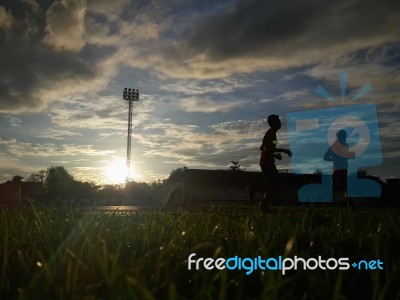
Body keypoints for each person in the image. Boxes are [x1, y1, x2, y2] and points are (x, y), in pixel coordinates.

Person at [258, 114, 292, 212]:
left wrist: (274, 155)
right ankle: (256, 193)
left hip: (266, 161)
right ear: (274, 123)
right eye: (279, 121)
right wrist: (285, 150)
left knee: (272, 184)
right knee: (274, 183)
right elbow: (267, 149)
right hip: (266, 163)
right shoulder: (271, 134)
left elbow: (263, 148)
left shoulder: (270, 133)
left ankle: (264, 206)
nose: (280, 122)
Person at [324, 129, 355, 202]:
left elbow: (345, 156)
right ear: (339, 137)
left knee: (346, 186)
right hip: (337, 170)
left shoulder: (345, 144)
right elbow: (325, 157)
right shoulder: (334, 146)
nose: (345, 138)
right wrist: (335, 159)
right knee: (334, 187)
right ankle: (321, 201)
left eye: (345, 136)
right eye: (343, 136)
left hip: (344, 169)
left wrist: (351, 155)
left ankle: (348, 203)